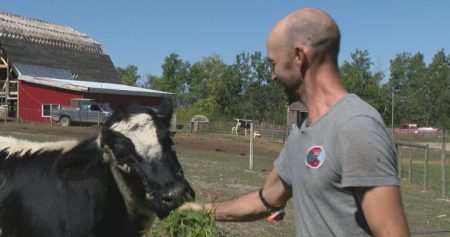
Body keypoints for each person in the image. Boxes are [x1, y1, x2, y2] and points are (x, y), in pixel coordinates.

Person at [181, 7, 409, 237]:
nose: (272, 75)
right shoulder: (302, 132)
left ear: (299, 56)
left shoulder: (356, 126)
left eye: (273, 63)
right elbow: (267, 198)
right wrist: (203, 211)